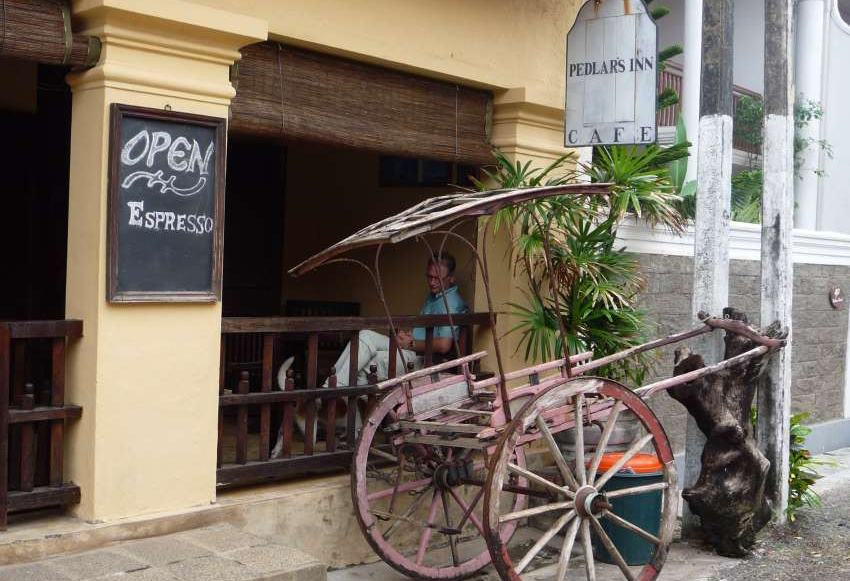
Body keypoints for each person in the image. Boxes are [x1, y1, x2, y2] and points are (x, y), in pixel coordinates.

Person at [324, 252, 468, 387]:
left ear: (451, 277)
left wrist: (410, 343)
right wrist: (409, 335)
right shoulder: (435, 297)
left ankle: (334, 396)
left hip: (425, 360)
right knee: (364, 335)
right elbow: (426, 330)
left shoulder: (451, 302)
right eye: (429, 277)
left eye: (438, 278)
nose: (432, 282)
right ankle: (329, 387)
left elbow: (444, 345)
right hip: (411, 348)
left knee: (367, 364)